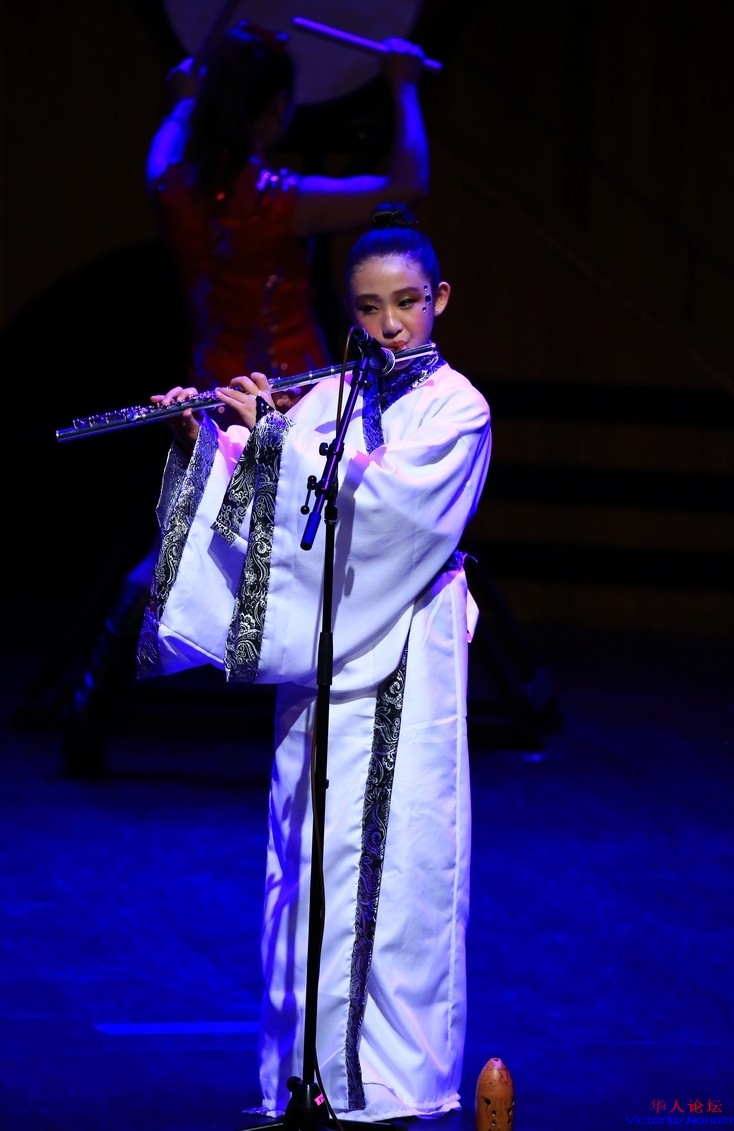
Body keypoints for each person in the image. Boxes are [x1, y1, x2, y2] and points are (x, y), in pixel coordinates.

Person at [136, 203, 492, 1124]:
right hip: (324, 668)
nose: (389, 325)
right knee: (306, 861)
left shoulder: (460, 410)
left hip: (406, 658)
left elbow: (390, 518)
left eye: (407, 302)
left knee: (395, 867)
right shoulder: (329, 397)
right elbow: (278, 516)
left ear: (440, 298)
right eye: (370, 307)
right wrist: (206, 443)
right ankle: (305, 1077)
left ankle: (387, 1082)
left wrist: (273, 441)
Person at [61, 21, 432, 776]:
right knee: (323, 550)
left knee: (178, 552)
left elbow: (165, 144)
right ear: (272, 111)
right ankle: (339, 724)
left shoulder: (174, 186)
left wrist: (182, 98)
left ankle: (88, 707)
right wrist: (402, 87)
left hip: (208, 398)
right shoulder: (282, 203)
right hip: (289, 403)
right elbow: (406, 182)